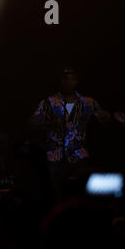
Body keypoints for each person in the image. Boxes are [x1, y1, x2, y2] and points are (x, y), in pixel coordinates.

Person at [30, 65, 110, 199]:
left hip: (78, 157)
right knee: (53, 196)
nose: (68, 82)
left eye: (72, 79)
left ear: (77, 81)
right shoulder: (49, 103)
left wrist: (108, 118)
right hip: (54, 158)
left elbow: (106, 122)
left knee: (78, 196)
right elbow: (30, 124)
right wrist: (49, 123)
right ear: (60, 81)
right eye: (65, 79)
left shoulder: (88, 102)